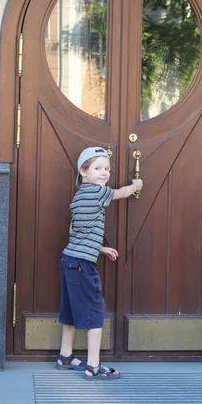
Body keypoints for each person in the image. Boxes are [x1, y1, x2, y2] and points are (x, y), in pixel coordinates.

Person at [56, 146, 143, 380]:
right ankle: (93, 365)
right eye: (97, 168)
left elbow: (74, 230)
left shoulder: (79, 195)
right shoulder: (98, 192)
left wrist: (100, 248)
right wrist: (136, 186)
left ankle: (65, 355)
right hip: (83, 263)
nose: (104, 173)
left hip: (69, 258)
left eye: (107, 169)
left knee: (70, 308)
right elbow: (120, 193)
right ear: (83, 172)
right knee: (95, 309)